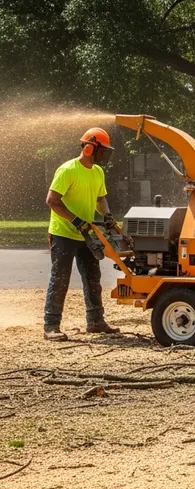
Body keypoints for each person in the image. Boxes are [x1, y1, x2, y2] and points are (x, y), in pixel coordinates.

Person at [42, 127, 120, 341]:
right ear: (89, 148)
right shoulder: (67, 170)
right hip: (63, 233)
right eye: (102, 151)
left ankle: (95, 321)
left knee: (93, 277)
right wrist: (75, 220)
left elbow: (100, 199)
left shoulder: (97, 172)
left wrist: (108, 217)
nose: (104, 155)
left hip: (85, 232)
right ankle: (51, 325)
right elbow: (52, 201)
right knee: (60, 278)